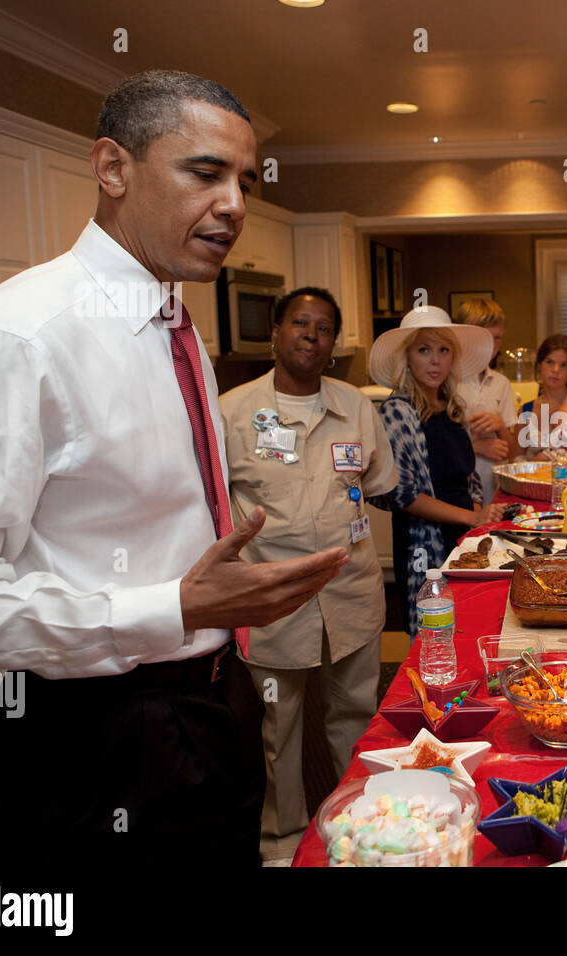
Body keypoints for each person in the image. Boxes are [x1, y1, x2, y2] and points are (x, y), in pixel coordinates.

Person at [0, 70, 347, 865]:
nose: (235, 206)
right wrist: (167, 608)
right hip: (87, 730)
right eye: (205, 172)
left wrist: (212, 606)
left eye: (244, 181)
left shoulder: (172, 321)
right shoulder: (18, 339)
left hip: (210, 700)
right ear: (113, 168)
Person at [220, 286, 398, 846]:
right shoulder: (232, 412)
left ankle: (365, 826)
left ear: (332, 343)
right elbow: (211, 498)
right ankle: (283, 837)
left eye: (323, 328)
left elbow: (376, 483)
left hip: (351, 592)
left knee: (356, 713)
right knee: (279, 724)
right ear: (276, 332)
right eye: (300, 324)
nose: (311, 336)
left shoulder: (356, 408)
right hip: (269, 596)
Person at [367, 307, 505, 634]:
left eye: (444, 351)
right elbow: (401, 494)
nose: (435, 361)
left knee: (471, 628)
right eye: (424, 350)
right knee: (434, 637)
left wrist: (475, 522)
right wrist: (471, 517)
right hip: (422, 546)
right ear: (407, 358)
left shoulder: (453, 406)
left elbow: (468, 475)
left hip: (460, 539)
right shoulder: (398, 411)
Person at [454, 297, 519, 503]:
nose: (492, 345)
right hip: (456, 490)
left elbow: (512, 453)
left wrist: (500, 426)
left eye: (498, 337)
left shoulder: (501, 383)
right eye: (485, 337)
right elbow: (431, 449)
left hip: (493, 490)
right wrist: (475, 446)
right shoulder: (448, 381)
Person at [515, 333, 567, 463]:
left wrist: (549, 456)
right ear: (539, 364)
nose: (556, 370)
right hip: (534, 481)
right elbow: (516, 460)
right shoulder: (526, 410)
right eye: (550, 362)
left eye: (564, 365)